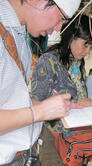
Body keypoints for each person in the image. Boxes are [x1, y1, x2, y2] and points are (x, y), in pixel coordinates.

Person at [0, 0, 81, 164]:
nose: (59, 28)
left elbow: (13, 103)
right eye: (61, 18)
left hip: (25, 155)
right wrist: (41, 112)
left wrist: (50, 106)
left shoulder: (19, 33)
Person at [31, 14, 92, 165]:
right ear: (71, 37)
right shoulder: (48, 61)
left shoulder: (78, 63)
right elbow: (36, 101)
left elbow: (78, 92)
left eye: (90, 47)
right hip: (56, 137)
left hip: (79, 136)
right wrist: (77, 101)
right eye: (85, 45)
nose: (87, 51)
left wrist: (91, 100)